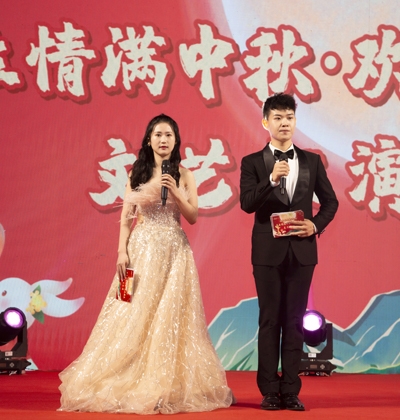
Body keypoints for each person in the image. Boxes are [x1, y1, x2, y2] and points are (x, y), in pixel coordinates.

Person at [59, 114, 233, 414]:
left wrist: (175, 190)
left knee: (172, 315)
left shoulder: (184, 174)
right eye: (158, 135)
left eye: (168, 135)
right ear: (149, 140)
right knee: (130, 310)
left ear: (176, 140)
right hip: (141, 250)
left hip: (175, 251)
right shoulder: (136, 173)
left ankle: (166, 383)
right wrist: (121, 252)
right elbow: (127, 215)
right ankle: (126, 375)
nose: (163, 140)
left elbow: (192, 216)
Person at [240, 93, 338, 411]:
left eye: (290, 117)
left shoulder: (312, 161)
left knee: (295, 321)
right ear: (265, 122)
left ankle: (291, 390)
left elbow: (330, 202)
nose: (284, 123)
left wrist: (314, 225)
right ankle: (269, 390)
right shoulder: (253, 163)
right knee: (270, 320)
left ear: (295, 122)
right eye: (278, 117)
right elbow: (247, 204)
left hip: (302, 253)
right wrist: (271, 180)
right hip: (267, 254)